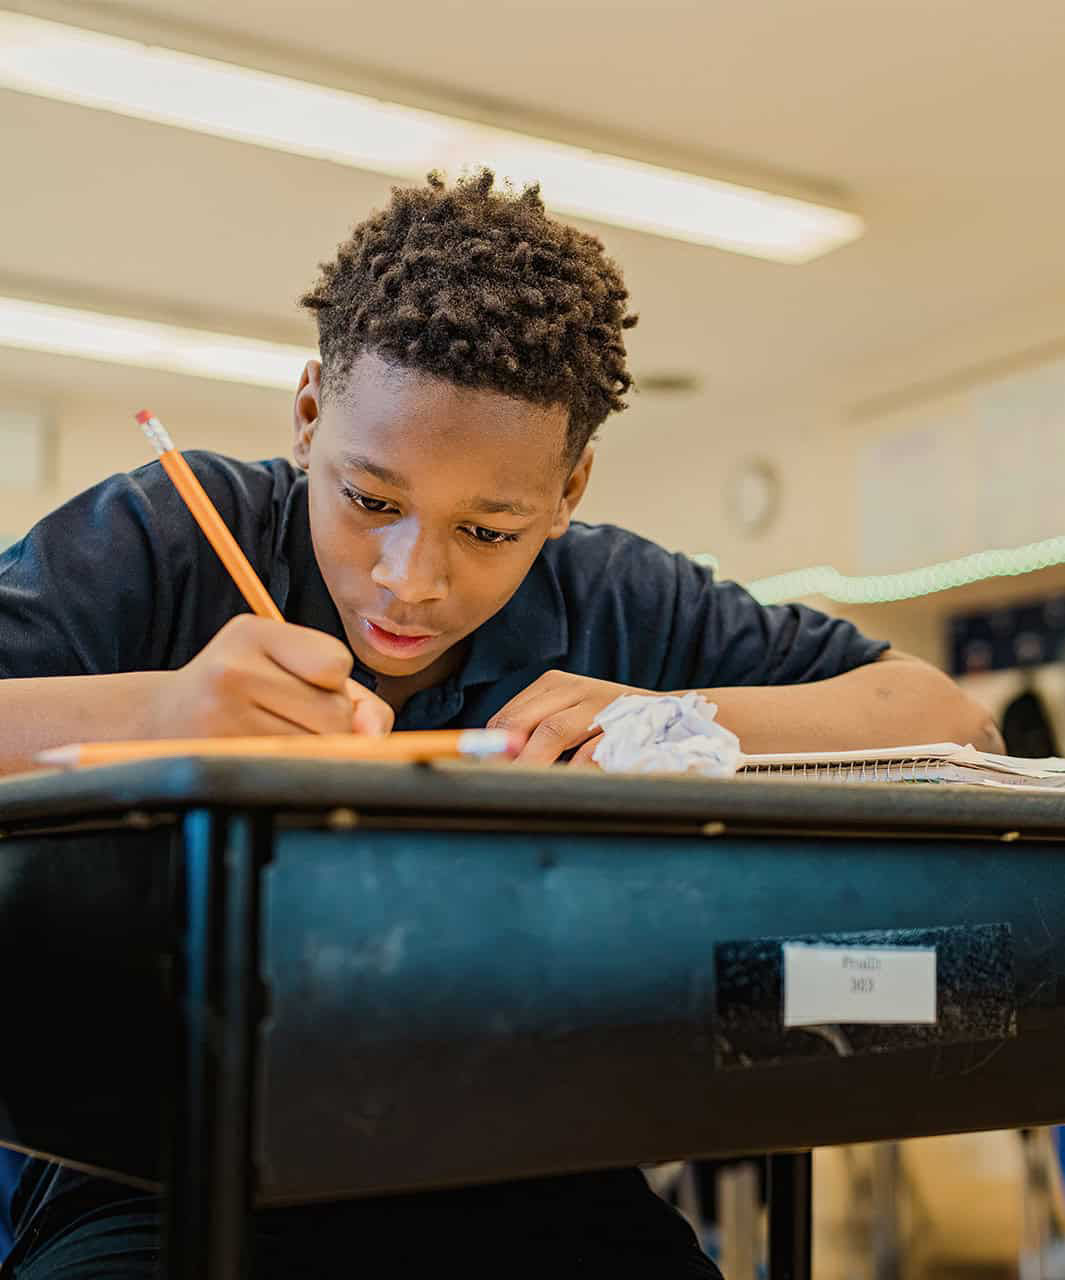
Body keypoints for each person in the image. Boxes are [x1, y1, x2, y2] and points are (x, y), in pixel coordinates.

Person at [0, 170, 999, 1276]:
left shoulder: (616, 595)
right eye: (370, 501)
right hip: (167, 1151)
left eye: (489, 529)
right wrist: (155, 709)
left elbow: (949, 714)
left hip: (514, 1144)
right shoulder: (161, 535)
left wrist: (674, 713)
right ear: (308, 413)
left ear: (567, 489)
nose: (410, 581)